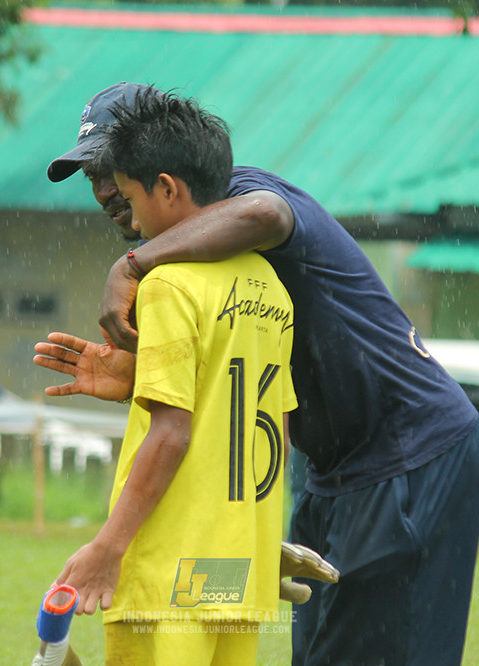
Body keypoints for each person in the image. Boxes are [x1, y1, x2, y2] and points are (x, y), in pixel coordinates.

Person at [40, 82, 479, 665]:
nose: (102, 190)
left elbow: (267, 214)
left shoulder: (236, 199)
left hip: (408, 447)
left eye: (110, 169)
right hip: (328, 468)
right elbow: (234, 416)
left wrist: (129, 266)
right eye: (91, 176)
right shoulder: (223, 269)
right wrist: (148, 379)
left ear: (159, 166)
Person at [50, 89, 298, 665]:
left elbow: (172, 433)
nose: (132, 217)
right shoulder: (271, 286)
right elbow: (275, 433)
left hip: (167, 570)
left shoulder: (165, 283)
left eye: (131, 196)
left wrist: (108, 547)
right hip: (235, 568)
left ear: (166, 188)